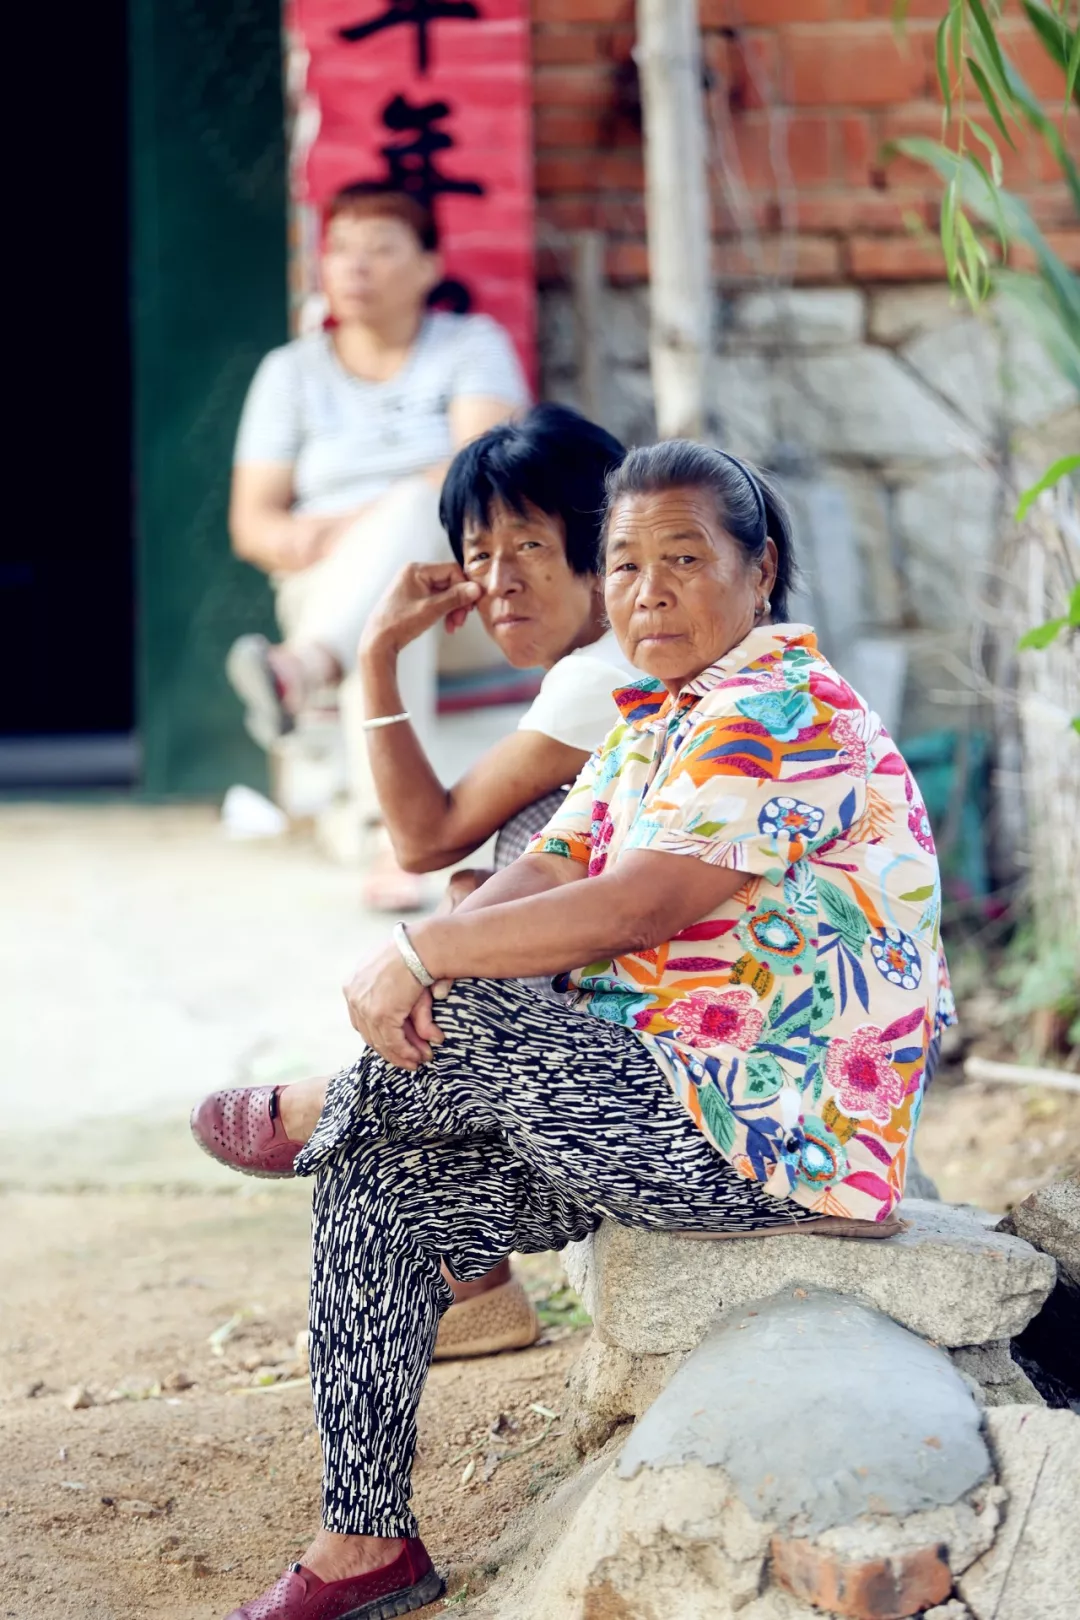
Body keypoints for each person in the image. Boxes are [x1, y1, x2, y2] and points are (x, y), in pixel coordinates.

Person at [219, 440, 956, 1620]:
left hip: (759, 1139)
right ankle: (365, 1546)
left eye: (684, 559)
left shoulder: (772, 708)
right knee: (378, 1187)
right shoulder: (661, 711)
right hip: (642, 1103)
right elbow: (559, 858)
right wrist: (433, 951)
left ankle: (329, 1105)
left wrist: (421, 960)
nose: (648, 590)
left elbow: (636, 903)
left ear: (760, 572)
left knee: (476, 983)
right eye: (624, 564)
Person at [193, 405, 633, 1359]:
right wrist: (378, 657)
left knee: (486, 872)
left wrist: (378, 658)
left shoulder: (605, 671)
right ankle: (466, 1278)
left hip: (646, 1029)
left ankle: (346, 1112)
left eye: (531, 543)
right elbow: (433, 841)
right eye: (480, 551)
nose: (501, 579)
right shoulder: (590, 668)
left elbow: (424, 834)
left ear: (600, 551)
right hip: (604, 1007)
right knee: (487, 869)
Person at [224, 181, 529, 812]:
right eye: (340, 249)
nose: (356, 266)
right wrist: (323, 541)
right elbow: (253, 526)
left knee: (417, 521)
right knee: (391, 596)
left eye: (381, 248)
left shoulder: (472, 346)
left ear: (429, 266)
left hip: (465, 593)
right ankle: (396, 838)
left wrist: (351, 524)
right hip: (328, 588)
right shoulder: (290, 373)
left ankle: (304, 670)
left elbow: (482, 474)